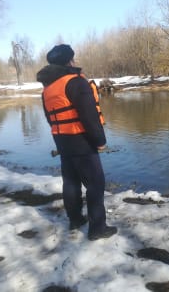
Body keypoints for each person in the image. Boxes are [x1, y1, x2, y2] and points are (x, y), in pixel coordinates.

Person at [36, 44, 117, 241]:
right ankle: (98, 228)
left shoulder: (47, 89)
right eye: (73, 58)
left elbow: (50, 118)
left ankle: (75, 220)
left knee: (71, 182)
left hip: (62, 141)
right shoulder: (76, 83)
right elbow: (89, 117)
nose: (75, 61)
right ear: (69, 61)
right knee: (95, 185)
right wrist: (100, 141)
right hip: (81, 141)